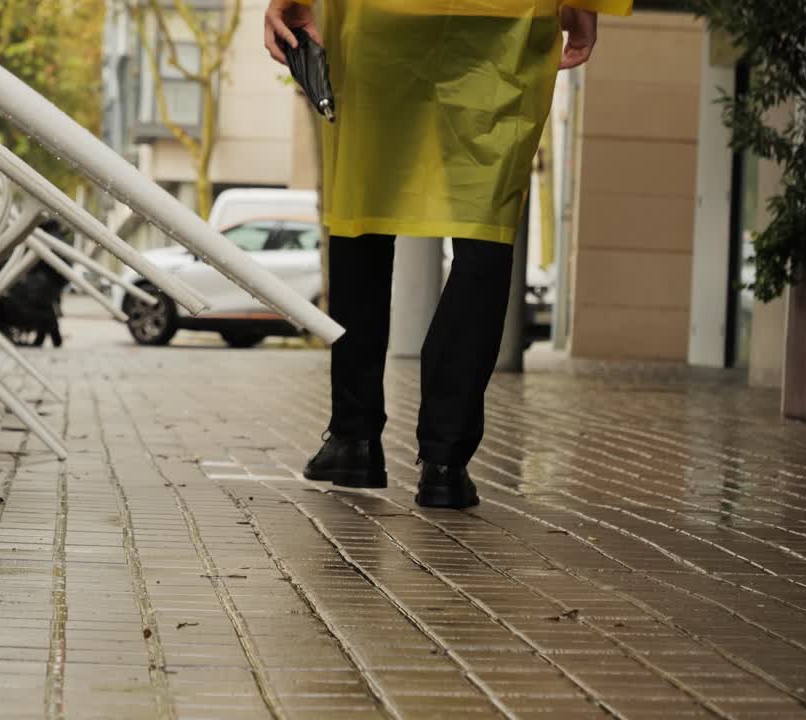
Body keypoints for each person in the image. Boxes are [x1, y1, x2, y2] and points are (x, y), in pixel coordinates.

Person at [265, 0, 631, 508]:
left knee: (362, 207)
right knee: (486, 220)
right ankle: (445, 461)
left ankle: (354, 437)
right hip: (509, 17)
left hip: (378, 14)